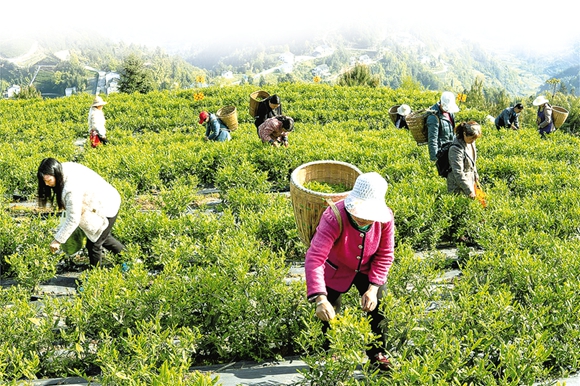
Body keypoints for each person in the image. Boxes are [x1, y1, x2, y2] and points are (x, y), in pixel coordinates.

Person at [304, 172, 395, 371]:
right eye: (360, 214)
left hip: (367, 268)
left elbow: (385, 254)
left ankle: (377, 353)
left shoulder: (385, 219)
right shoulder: (334, 216)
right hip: (335, 269)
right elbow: (315, 257)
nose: (363, 219)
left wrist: (372, 289)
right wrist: (320, 299)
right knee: (328, 312)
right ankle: (331, 354)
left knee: (379, 307)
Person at [37, 158, 125, 267]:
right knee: (103, 237)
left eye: (49, 180)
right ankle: (129, 261)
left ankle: (95, 280)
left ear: (56, 173)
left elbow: (73, 218)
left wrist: (58, 240)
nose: (46, 184)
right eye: (44, 181)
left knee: (94, 245)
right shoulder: (61, 169)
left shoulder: (70, 188)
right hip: (96, 201)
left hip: (107, 203)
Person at [447, 121, 482, 198]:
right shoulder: (455, 149)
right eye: (471, 138)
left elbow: (473, 161)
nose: (473, 141)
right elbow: (458, 172)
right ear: (464, 134)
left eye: (475, 139)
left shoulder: (471, 143)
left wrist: (475, 174)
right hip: (457, 185)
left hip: (470, 179)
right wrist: (469, 191)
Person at [427, 91, 459, 162]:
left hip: (450, 149)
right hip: (441, 152)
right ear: (441, 102)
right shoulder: (433, 117)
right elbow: (432, 139)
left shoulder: (450, 113)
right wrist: (434, 158)